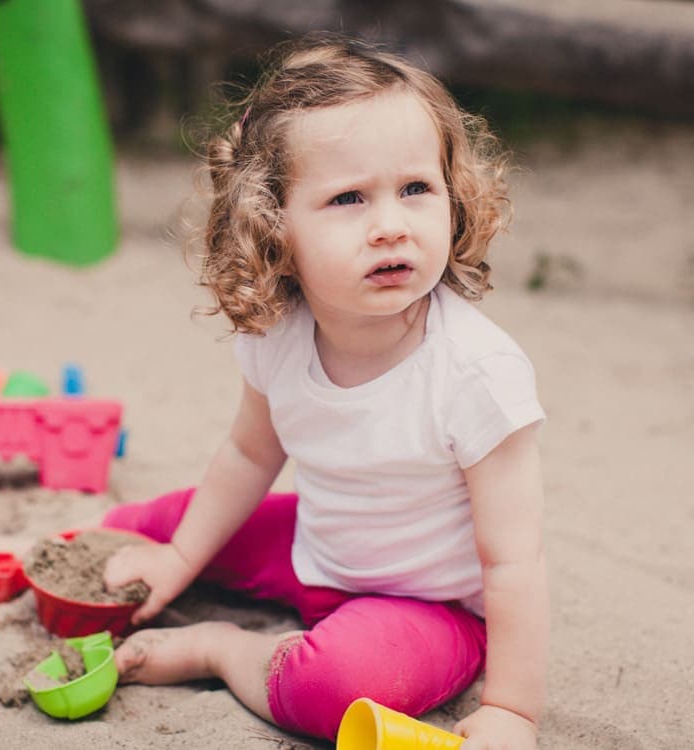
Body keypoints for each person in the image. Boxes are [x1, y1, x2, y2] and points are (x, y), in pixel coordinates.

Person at [102, 35, 548, 750]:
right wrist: (177, 559)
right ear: (273, 226)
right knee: (147, 528)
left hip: (428, 608)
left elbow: (513, 560)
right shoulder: (281, 333)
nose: (390, 226)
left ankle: (222, 649)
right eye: (347, 198)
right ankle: (31, 551)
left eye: (416, 188)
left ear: (453, 196)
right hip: (313, 546)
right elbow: (249, 455)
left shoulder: (475, 372)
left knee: (334, 689)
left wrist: (512, 710)